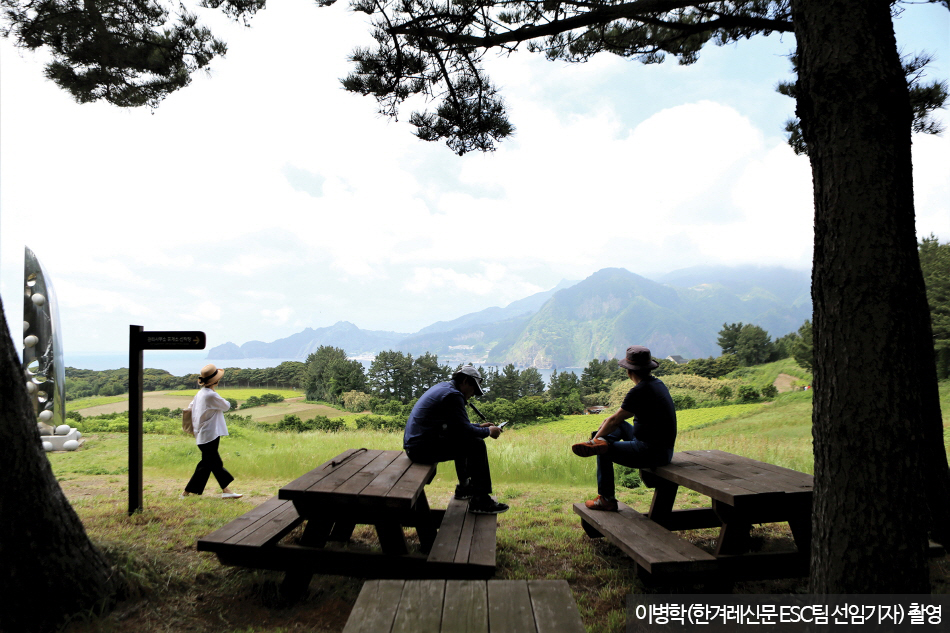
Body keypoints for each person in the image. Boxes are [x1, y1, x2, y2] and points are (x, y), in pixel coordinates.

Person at [571, 346, 676, 511]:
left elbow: (613, 420)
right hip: (663, 449)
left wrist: (594, 440)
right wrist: (602, 433)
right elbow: (614, 420)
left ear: (628, 371)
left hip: (652, 452)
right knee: (610, 433)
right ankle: (601, 441)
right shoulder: (657, 384)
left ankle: (606, 498)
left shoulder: (639, 391)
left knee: (602, 449)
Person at [403, 366, 509, 514]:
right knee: (476, 444)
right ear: (465, 381)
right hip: (420, 450)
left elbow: (456, 426)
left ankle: (465, 489)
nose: (472, 395)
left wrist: (479, 426)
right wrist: (488, 431)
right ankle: (480, 500)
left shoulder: (444, 388)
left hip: (416, 446)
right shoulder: (453, 395)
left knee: (466, 439)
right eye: (473, 390)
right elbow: (463, 430)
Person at [181, 364, 242, 499]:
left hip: (202, 433)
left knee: (211, 463)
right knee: (210, 463)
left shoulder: (200, 393)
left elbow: (191, 407)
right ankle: (186, 492)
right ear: (215, 381)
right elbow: (226, 406)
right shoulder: (210, 395)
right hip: (210, 434)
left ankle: (226, 491)